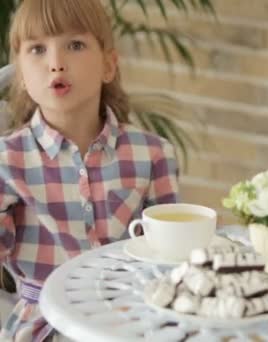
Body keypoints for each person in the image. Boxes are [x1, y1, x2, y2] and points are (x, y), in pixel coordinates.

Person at [0, 0, 179, 340]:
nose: (56, 64)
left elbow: (168, 262)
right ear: (22, 76)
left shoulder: (154, 154)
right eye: (38, 49)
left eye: (75, 45)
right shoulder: (7, 159)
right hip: (43, 329)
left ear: (109, 65)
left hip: (131, 322)